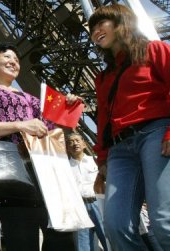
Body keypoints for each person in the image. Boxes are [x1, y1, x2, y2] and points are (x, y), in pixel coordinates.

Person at [0, 43, 78, 251]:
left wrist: (69, 106)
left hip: (45, 170)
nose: (13, 61)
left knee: (61, 230)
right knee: (21, 233)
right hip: (14, 170)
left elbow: (51, 128)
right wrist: (20, 125)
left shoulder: (32, 99)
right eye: (6, 56)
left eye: (16, 59)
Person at [88, 4, 170, 251]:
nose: (95, 31)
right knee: (116, 226)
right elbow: (104, 119)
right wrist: (102, 159)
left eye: (102, 23)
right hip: (119, 151)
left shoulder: (154, 50)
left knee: (164, 221)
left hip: (155, 134)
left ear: (121, 22)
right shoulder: (102, 78)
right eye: (92, 28)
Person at [66, 132, 108, 251]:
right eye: (70, 142)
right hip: (78, 208)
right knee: (83, 245)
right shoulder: (65, 167)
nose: (74, 144)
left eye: (77, 140)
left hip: (98, 204)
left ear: (84, 144)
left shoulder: (95, 162)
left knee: (108, 239)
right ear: (67, 148)